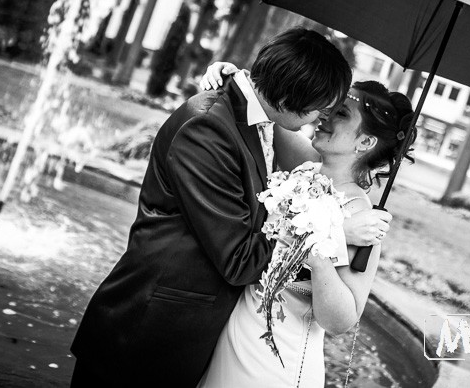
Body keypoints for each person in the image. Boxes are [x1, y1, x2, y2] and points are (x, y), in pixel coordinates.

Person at [69, 28, 392, 387]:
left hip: (217, 344)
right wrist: (334, 233)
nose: (321, 118)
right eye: (320, 107)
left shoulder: (258, 123)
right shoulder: (208, 128)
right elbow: (239, 260)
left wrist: (241, 78)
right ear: (288, 96)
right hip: (147, 335)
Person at [198, 62, 417, 387]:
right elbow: (268, 108)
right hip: (234, 334)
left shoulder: (360, 214)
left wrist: (322, 246)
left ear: (365, 143)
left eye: (341, 113)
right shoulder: (306, 169)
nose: (325, 115)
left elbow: (340, 320)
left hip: (276, 360)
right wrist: (239, 79)